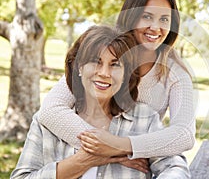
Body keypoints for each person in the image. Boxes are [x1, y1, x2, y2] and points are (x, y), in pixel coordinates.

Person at [38, 0, 195, 160]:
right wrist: (105, 153)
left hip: (135, 167)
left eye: (164, 19)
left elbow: (184, 134)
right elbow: (50, 110)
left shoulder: (175, 73)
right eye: (147, 16)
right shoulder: (105, 53)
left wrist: (120, 147)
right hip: (81, 159)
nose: (155, 27)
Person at [10, 25, 190, 179]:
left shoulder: (145, 119)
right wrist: (84, 160)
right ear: (79, 67)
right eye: (96, 62)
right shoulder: (46, 124)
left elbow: (176, 168)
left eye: (115, 64)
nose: (104, 73)